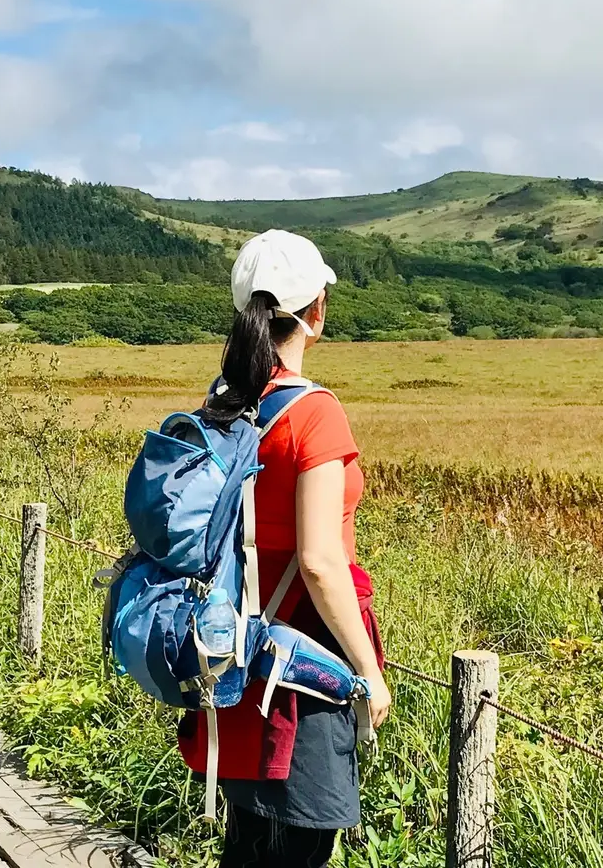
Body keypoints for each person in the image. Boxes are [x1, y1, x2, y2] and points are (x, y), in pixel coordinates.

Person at [178, 229, 392, 868]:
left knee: (247, 846)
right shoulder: (314, 413)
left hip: (234, 652)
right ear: (317, 310)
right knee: (298, 849)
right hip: (303, 662)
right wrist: (370, 675)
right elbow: (322, 562)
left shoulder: (225, 403)